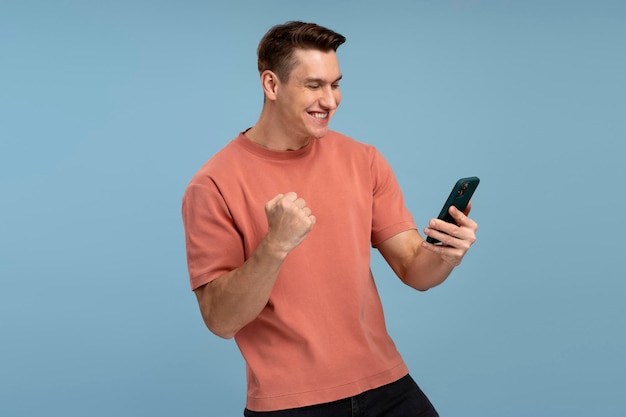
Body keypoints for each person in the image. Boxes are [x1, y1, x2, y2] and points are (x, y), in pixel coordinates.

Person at [182, 21, 478, 417]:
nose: (331, 100)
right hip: (290, 403)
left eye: (335, 84)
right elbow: (220, 320)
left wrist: (446, 253)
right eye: (314, 85)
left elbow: (414, 270)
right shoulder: (213, 184)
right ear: (271, 85)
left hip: (385, 383)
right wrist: (275, 245)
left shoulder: (363, 160)